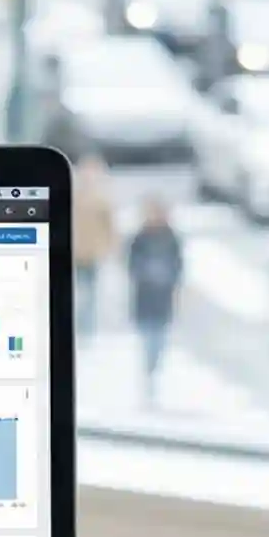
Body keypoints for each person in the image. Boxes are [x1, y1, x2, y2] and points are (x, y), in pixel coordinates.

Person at [127, 200, 184, 404]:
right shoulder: (140, 238)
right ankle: (148, 373)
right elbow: (131, 264)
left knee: (159, 338)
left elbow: (178, 265)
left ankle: (153, 370)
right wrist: (147, 272)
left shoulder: (171, 238)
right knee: (147, 337)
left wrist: (167, 277)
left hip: (163, 297)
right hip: (144, 296)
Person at [70, 152, 116, 340]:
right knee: (75, 293)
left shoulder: (102, 199)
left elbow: (110, 227)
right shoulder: (72, 195)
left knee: (89, 293)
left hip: (92, 253)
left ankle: (86, 330)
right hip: (73, 252)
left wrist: (109, 247)